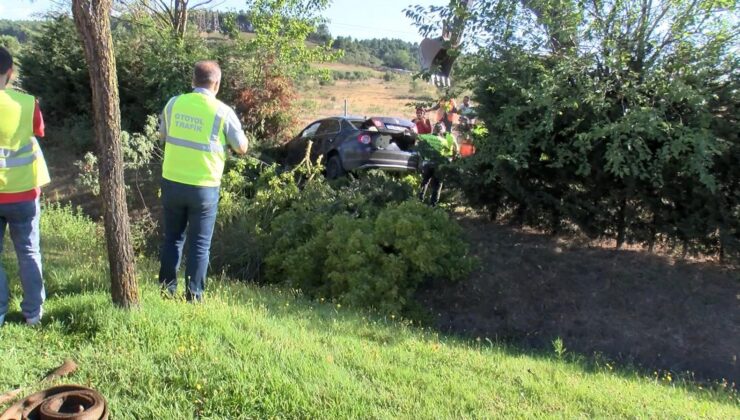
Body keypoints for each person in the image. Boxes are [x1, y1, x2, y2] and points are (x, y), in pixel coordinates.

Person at [158, 60, 248, 302]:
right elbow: (241, 147)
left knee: (172, 239)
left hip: (172, 181)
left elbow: (162, 134)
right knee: (199, 245)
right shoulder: (223, 112)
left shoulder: (174, 104)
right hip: (204, 188)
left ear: (193, 80)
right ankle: (194, 296)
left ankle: (166, 292)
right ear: (216, 84)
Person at [0, 47, 51, 327]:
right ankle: (33, 313)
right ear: (10, 73)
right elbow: (38, 131)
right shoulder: (27, 103)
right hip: (23, 194)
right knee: (29, 252)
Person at [415, 122, 458, 206]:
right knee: (437, 185)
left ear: (433, 129)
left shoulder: (427, 137)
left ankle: (419, 200)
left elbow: (416, 136)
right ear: (441, 131)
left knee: (425, 182)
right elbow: (452, 150)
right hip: (438, 166)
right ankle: (433, 205)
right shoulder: (444, 141)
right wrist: (453, 157)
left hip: (427, 164)